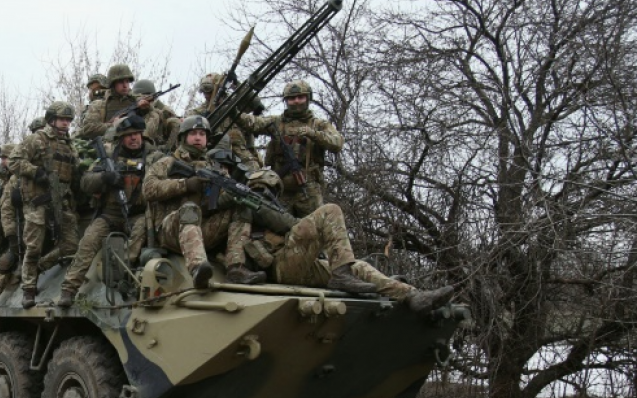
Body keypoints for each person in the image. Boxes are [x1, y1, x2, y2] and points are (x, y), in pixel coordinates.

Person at [237, 168, 454, 310]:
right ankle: (341, 274)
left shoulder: (276, 212)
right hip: (278, 268)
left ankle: (411, 296)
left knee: (358, 267)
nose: (262, 194)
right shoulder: (241, 210)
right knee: (329, 211)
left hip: (298, 264)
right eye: (257, 190)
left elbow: (290, 225)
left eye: (268, 190)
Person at [143, 116, 257, 288]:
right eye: (193, 133)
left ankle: (236, 267)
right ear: (183, 137)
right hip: (171, 230)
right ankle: (198, 268)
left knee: (242, 208)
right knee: (190, 208)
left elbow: (217, 202)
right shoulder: (167, 163)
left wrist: (234, 195)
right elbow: (148, 189)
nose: (198, 137)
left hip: (202, 227)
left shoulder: (215, 168)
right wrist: (184, 185)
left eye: (202, 134)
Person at [58, 113, 159, 307]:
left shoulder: (154, 157)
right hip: (110, 213)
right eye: (129, 135)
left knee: (140, 235)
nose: (134, 138)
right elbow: (85, 183)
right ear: (121, 137)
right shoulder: (109, 157)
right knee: (88, 241)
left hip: (139, 214)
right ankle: (69, 289)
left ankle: (125, 281)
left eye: (137, 133)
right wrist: (105, 178)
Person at [6, 101, 80, 308]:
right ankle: (28, 288)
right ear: (52, 120)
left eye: (68, 120)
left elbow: (74, 172)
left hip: (63, 201)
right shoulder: (37, 140)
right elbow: (14, 161)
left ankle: (38, 268)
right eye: (63, 119)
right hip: (39, 202)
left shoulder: (69, 144)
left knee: (71, 245)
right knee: (33, 247)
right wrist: (36, 172)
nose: (66, 124)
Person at [239, 79, 343, 216]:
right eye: (292, 98)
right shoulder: (276, 122)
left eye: (301, 97)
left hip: (308, 189)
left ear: (308, 98)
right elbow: (253, 123)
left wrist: (313, 134)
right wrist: (233, 109)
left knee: (315, 229)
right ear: (286, 101)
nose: (296, 101)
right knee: (277, 231)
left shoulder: (318, 124)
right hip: (281, 189)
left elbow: (337, 143)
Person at [185, 73, 263, 170]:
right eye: (204, 92)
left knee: (255, 169)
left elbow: (254, 103)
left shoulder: (234, 103)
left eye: (209, 91)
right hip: (212, 151)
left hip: (239, 149)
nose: (206, 95)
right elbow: (187, 122)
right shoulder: (200, 111)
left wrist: (236, 83)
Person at [77, 64, 138, 139]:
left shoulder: (136, 99)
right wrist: (113, 125)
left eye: (127, 82)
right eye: (92, 89)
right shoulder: (98, 105)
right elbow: (88, 129)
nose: (125, 85)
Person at [131, 79, 181, 148]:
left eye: (147, 95)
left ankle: (168, 150)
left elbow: (176, 120)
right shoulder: (131, 108)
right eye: (139, 97)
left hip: (158, 142)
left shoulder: (161, 108)